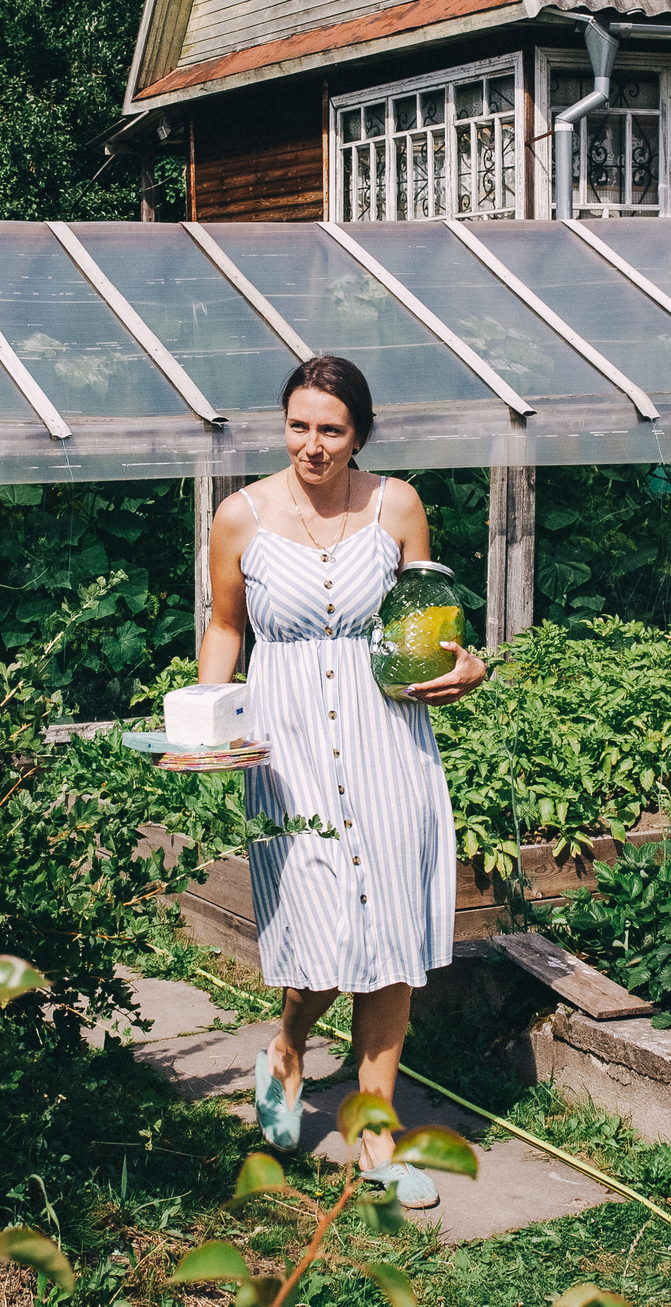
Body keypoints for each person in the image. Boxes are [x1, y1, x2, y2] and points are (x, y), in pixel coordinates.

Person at [197, 354, 488, 1208]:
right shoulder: (239, 517)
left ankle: (373, 1136)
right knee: (321, 931)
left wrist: (466, 665)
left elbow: (423, 631)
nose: (312, 445)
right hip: (286, 753)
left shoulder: (396, 506)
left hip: (387, 744)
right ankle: (288, 1047)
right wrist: (212, 719)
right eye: (298, 425)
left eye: (331, 429)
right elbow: (224, 628)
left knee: (388, 937)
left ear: (358, 433)